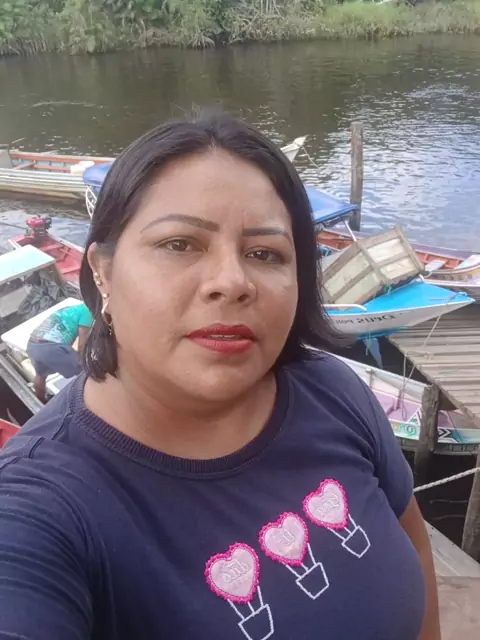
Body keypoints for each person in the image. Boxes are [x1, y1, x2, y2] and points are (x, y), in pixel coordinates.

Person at [0, 115, 440, 639]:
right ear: (102, 269)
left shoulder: (333, 391)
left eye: (264, 253)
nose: (232, 282)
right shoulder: (38, 509)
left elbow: (414, 547)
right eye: (180, 244)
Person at [26, 302, 92, 401]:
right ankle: (87, 401)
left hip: (33, 344)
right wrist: (82, 362)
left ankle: (41, 400)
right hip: (50, 347)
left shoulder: (72, 309)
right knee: (86, 371)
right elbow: (82, 345)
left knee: (41, 375)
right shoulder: (86, 312)